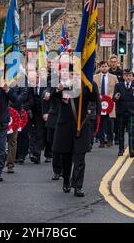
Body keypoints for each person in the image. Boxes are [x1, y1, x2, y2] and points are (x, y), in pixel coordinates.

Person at [53, 64, 99, 197]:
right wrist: (58, 90)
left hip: (81, 125)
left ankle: (78, 186)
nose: (73, 76)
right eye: (72, 73)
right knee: (66, 157)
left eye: (76, 73)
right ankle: (66, 180)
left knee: (80, 156)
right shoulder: (62, 84)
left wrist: (89, 83)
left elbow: (93, 98)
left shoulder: (86, 86)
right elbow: (52, 95)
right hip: (65, 125)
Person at [113, 70, 134, 158]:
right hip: (121, 112)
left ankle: (132, 150)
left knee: (131, 132)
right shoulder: (118, 85)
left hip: (131, 113)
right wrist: (116, 97)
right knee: (121, 132)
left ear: (132, 77)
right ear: (123, 77)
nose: (128, 77)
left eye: (129, 75)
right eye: (126, 75)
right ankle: (121, 150)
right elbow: (114, 98)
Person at [94, 61, 119, 148]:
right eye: (102, 66)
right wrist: (97, 96)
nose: (104, 68)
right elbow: (93, 89)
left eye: (105, 66)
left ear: (108, 67)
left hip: (110, 103)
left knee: (110, 123)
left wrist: (114, 97)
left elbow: (117, 89)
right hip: (99, 102)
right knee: (100, 122)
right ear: (100, 68)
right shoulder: (95, 77)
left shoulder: (114, 77)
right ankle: (101, 141)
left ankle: (109, 140)